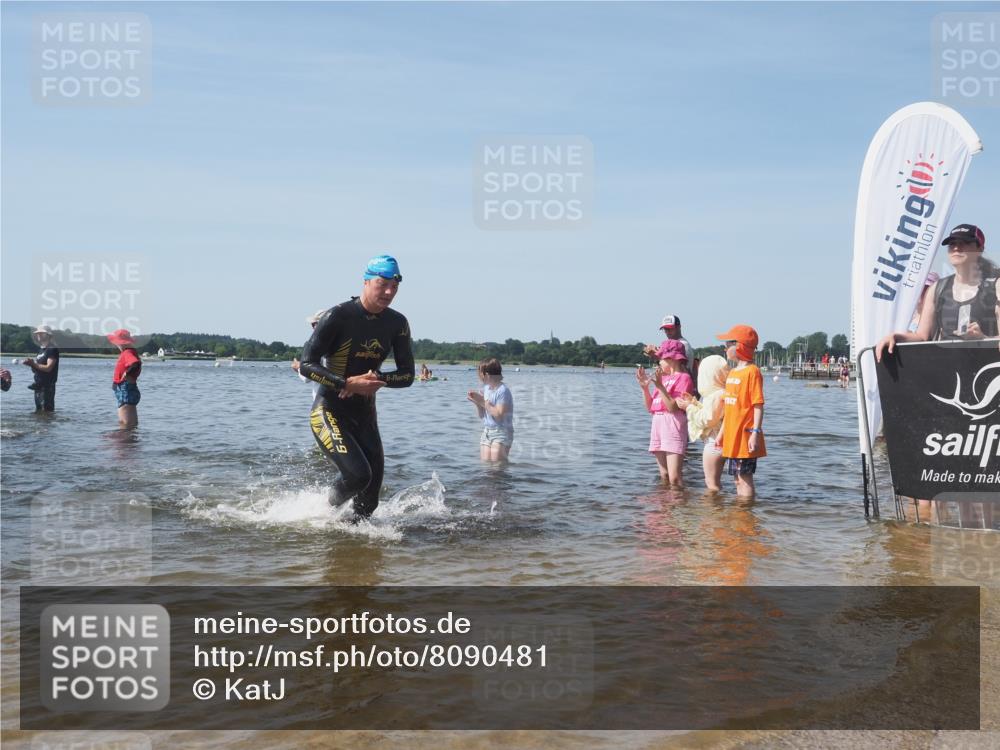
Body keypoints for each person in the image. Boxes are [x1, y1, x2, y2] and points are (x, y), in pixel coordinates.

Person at [299, 255, 415, 520]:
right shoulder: (338, 315)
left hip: (364, 416)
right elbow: (307, 364)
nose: (388, 292)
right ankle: (320, 514)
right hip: (328, 411)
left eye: (394, 287)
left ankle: (354, 542)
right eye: (382, 284)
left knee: (369, 503)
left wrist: (377, 380)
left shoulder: (397, 323)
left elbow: (407, 375)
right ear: (365, 282)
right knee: (357, 476)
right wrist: (347, 383)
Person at [877, 224, 999, 360]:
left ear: (980, 248)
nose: (957, 248)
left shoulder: (995, 284)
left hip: (989, 373)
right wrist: (896, 336)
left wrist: (983, 338)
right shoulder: (937, 288)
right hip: (950, 373)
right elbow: (923, 337)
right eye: (952, 244)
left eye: (964, 243)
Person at [716, 325, 766, 497]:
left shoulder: (752, 372)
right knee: (737, 478)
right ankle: (741, 516)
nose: (724, 348)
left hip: (745, 435)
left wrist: (755, 433)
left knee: (744, 478)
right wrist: (722, 433)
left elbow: (758, 405)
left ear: (740, 346)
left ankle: (746, 518)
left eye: (728, 344)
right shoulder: (732, 373)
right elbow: (729, 409)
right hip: (732, 435)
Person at [637, 339, 694, 486]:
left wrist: (660, 386)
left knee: (674, 477)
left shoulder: (684, 378)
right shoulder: (663, 378)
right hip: (658, 424)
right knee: (664, 474)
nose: (659, 362)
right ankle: (665, 505)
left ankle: (678, 506)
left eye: (661, 359)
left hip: (673, 424)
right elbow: (651, 407)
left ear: (672, 359)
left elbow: (673, 407)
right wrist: (645, 388)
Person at [676, 354, 729, 491]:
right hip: (723, 442)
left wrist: (688, 407)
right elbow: (712, 414)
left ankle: (713, 510)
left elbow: (707, 419)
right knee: (715, 481)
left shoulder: (715, 395)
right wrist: (693, 402)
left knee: (711, 483)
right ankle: (719, 508)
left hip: (713, 443)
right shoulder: (723, 393)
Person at [467, 357, 514, 462]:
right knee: (486, 468)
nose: (478, 375)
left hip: (501, 432)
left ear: (487, 375)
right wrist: (477, 403)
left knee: (497, 470)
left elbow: (499, 415)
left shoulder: (503, 391)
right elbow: (482, 415)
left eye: (480, 373)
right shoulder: (487, 389)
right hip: (487, 431)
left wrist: (482, 402)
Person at [108, 329, 142, 429]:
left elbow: (135, 363)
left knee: (125, 424)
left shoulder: (127, 353)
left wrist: (127, 373)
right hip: (127, 389)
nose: (116, 345)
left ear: (121, 343)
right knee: (130, 424)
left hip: (125, 389)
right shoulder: (130, 352)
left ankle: (125, 443)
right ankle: (131, 443)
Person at [22, 324, 59, 412]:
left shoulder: (52, 349)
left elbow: (48, 368)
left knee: (45, 411)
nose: (38, 334)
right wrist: (31, 364)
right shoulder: (41, 350)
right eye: (38, 333)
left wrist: (33, 364)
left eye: (41, 333)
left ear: (48, 335)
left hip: (47, 387)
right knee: (39, 413)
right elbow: (36, 369)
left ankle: (47, 425)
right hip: (38, 386)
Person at [292, 310, 325, 399]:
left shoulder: (315, 347)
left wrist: (298, 367)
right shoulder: (340, 344)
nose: (312, 327)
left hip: (322, 402)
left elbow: (307, 378)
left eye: (314, 324)